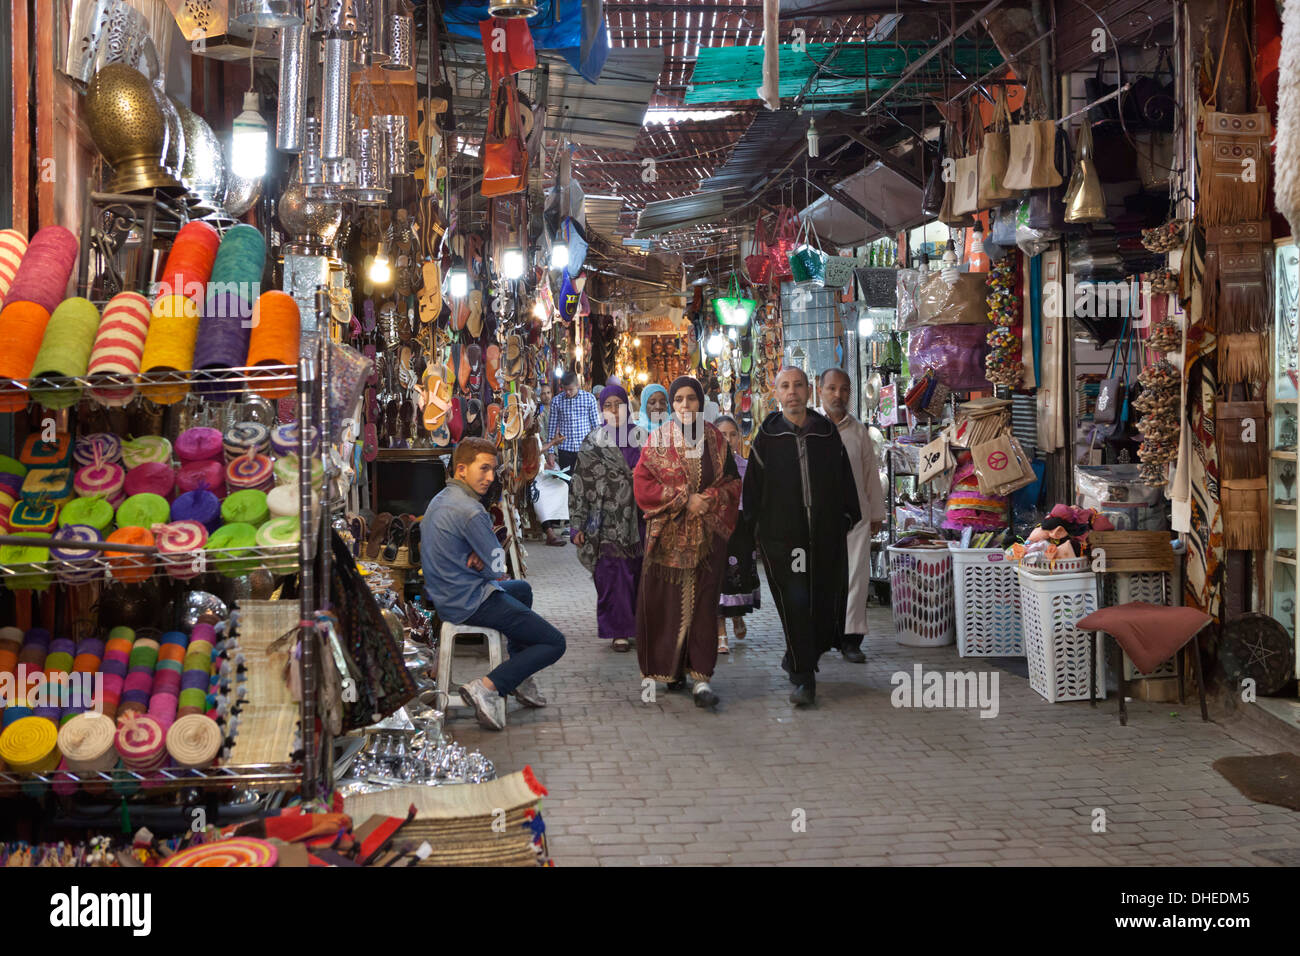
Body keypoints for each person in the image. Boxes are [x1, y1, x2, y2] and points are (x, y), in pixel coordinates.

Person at [420, 437, 566, 730]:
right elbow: (498, 569)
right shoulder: (472, 511)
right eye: (483, 469)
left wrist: (482, 556)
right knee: (553, 642)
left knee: (522, 590)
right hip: (470, 601)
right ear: (461, 469)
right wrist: (486, 560)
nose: (489, 478)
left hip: (446, 596)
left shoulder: (441, 499)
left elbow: (490, 561)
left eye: (492, 470)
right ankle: (487, 686)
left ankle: (519, 674)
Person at [743, 367, 860, 707]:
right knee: (794, 605)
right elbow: (753, 487)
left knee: (823, 604)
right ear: (776, 393)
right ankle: (802, 676)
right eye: (784, 386)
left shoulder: (825, 432)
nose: (791, 392)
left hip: (824, 535)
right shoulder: (767, 436)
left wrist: (847, 515)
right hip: (783, 538)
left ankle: (803, 655)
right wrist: (754, 531)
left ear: (809, 390)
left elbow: (844, 477)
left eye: (797, 385)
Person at [633, 377, 740, 710]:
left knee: (704, 607)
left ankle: (701, 678)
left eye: (690, 399)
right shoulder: (658, 439)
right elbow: (642, 483)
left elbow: (733, 483)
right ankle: (666, 670)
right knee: (664, 605)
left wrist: (706, 499)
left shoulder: (717, 440)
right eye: (677, 400)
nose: (684, 406)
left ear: (700, 401)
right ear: (671, 405)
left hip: (708, 540)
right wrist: (682, 500)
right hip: (668, 541)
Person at [569, 385, 646, 653]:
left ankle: (639, 626)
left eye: (619, 404)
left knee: (637, 573)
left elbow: (657, 474)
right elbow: (580, 484)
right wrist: (576, 525)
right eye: (608, 405)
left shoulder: (642, 438)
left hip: (638, 519)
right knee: (612, 575)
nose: (614, 410)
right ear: (601, 409)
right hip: (604, 521)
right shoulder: (592, 441)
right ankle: (618, 631)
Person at [817, 368, 886, 663]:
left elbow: (871, 476)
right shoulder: (809, 426)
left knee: (856, 578)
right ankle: (820, 636)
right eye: (832, 388)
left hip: (855, 517)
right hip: (818, 519)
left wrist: (875, 514)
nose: (838, 395)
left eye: (844, 389)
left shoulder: (858, 431)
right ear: (819, 390)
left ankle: (851, 640)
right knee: (820, 578)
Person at [714, 415, 760, 654]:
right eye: (723, 435)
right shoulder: (709, 468)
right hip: (717, 530)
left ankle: (737, 617)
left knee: (737, 578)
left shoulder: (746, 466)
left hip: (741, 530)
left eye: (733, 434)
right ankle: (721, 634)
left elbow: (754, 500)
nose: (728, 440)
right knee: (719, 581)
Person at [543, 371, 602, 546]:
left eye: (570, 389)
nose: (567, 393)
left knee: (586, 485)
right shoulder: (557, 401)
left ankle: (587, 522)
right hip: (566, 450)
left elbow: (596, 426)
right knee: (568, 487)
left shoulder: (589, 399)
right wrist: (551, 452)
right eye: (565, 389)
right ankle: (571, 523)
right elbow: (552, 427)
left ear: (578, 385)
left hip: (586, 450)